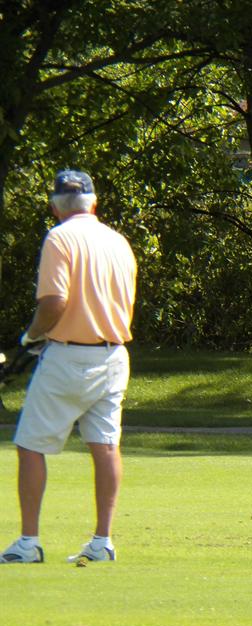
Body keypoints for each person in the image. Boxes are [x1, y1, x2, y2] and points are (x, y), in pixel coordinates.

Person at [1, 170, 137, 564]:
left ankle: (28, 542)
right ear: (93, 202)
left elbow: (55, 302)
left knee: (30, 445)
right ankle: (102, 541)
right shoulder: (118, 241)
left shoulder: (59, 237)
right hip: (113, 354)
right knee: (106, 445)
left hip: (68, 355)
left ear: (55, 206)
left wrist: (30, 337)